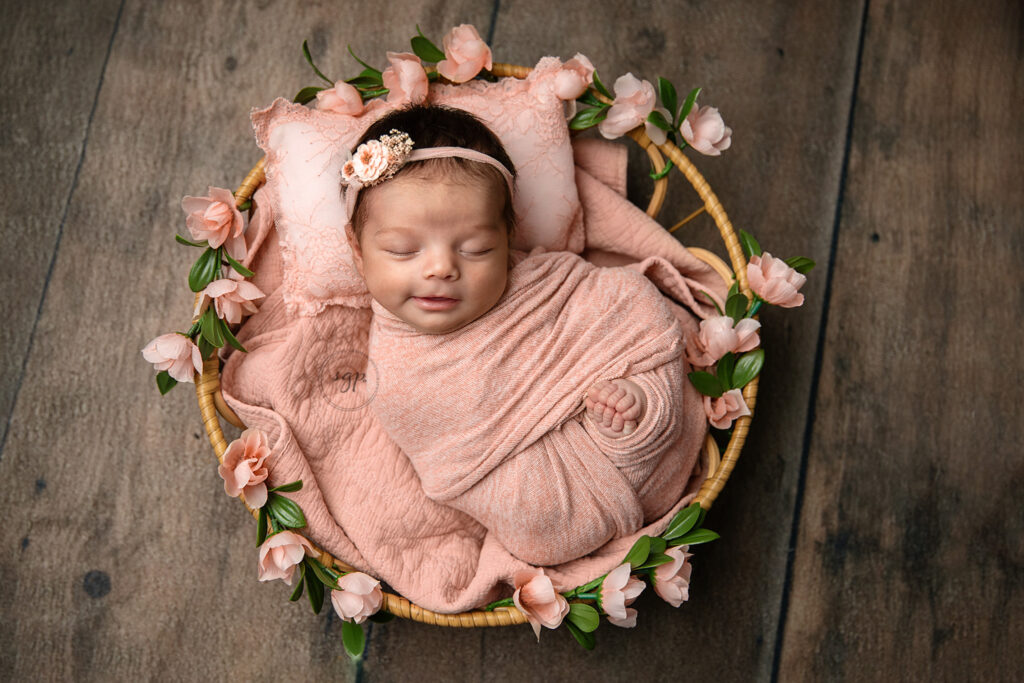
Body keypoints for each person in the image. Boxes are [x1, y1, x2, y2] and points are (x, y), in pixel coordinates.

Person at [342, 104, 701, 566]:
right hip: (560, 501)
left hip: (651, 436)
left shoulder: (544, 286)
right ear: (357, 251)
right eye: (402, 250)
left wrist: (633, 392)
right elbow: (455, 469)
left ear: (508, 239)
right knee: (531, 516)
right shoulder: (395, 378)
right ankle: (622, 442)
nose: (441, 269)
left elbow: (621, 313)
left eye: (476, 249)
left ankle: (637, 416)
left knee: (633, 293)